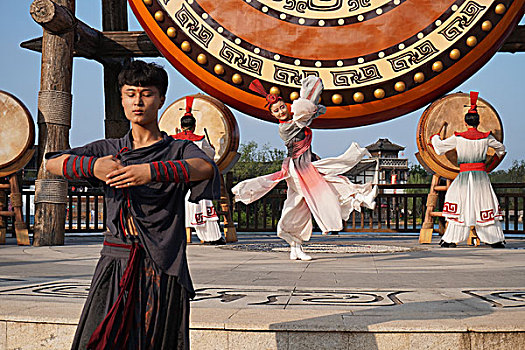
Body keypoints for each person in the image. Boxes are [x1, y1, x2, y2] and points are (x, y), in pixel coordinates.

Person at [45, 60, 220, 349]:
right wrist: (92, 167)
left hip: (162, 264)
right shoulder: (108, 150)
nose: (138, 101)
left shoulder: (177, 148)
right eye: (130, 93)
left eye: (147, 93)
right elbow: (52, 163)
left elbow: (204, 167)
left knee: (156, 341)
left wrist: (150, 171)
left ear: (161, 99)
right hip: (117, 261)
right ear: (122, 99)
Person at [232, 77, 377, 261]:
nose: (281, 111)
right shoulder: (285, 128)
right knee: (329, 185)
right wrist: (309, 107)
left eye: (282, 107)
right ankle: (360, 198)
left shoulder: (298, 120)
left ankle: (295, 247)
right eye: (276, 111)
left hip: (306, 164)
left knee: (298, 207)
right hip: (299, 169)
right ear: (273, 115)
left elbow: (318, 112)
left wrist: (313, 109)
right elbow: (304, 119)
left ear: (287, 106)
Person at [430, 91, 506, 248]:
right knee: (484, 204)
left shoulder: (459, 137)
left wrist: (435, 136)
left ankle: (451, 239)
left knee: (460, 204)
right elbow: (502, 149)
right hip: (481, 176)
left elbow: (439, 148)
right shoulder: (486, 137)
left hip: (464, 175)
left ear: (465, 123)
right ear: (478, 123)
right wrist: (492, 163)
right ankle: (495, 239)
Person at [172, 96, 226, 245]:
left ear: (181, 126)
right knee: (204, 203)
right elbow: (210, 156)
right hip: (197, 180)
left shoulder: (173, 140)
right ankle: (211, 236)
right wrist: (213, 149)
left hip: (178, 180)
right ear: (194, 126)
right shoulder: (200, 139)